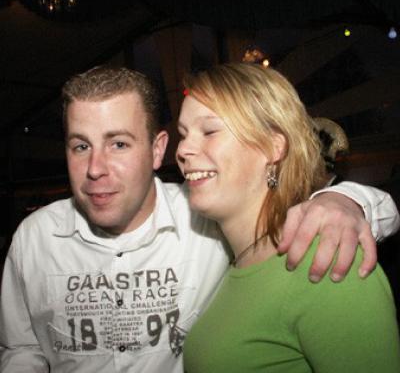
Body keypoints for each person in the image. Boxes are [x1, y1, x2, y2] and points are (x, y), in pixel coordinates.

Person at [0, 67, 398, 373]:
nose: (95, 168)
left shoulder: (208, 222)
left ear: (157, 150)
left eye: (119, 143)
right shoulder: (35, 238)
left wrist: (346, 200)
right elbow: (21, 349)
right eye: (80, 146)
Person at [179, 63, 400, 372]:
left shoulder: (328, 264)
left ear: (273, 147)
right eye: (183, 134)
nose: (183, 149)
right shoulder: (235, 263)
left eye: (209, 131)